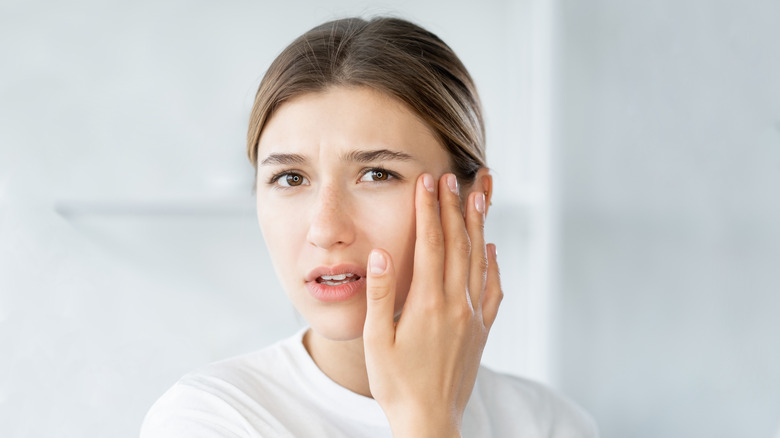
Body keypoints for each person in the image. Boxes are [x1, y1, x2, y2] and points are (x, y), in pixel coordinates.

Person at [140, 16, 597, 437]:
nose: (326, 229)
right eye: (290, 178)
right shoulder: (208, 418)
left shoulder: (549, 425)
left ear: (474, 199)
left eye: (377, 175)